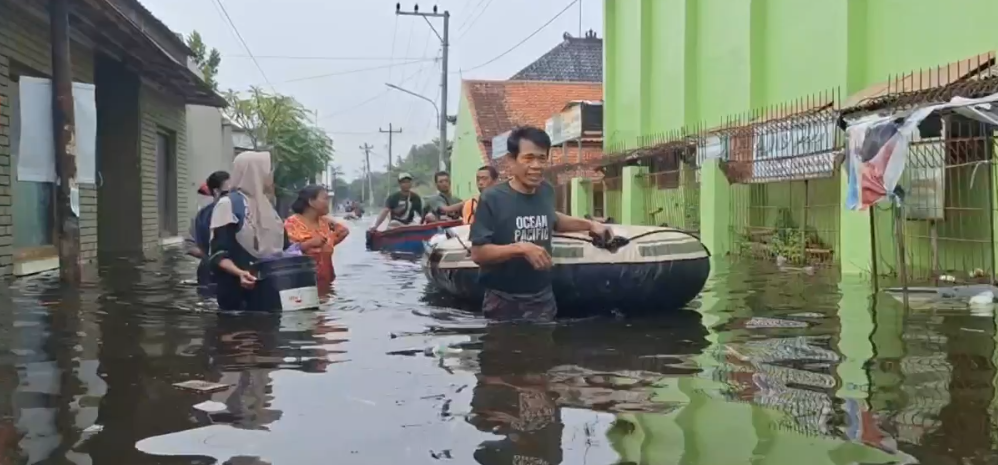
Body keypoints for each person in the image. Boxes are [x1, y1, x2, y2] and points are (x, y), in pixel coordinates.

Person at [469, 126, 609, 322]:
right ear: (511, 161)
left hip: (542, 297)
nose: (536, 165)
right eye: (528, 158)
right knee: (502, 352)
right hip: (503, 300)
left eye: (542, 158)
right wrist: (520, 249)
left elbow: (553, 218)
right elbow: (478, 253)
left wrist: (590, 225)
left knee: (542, 350)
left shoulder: (546, 191)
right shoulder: (492, 198)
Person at [208, 151, 290, 311]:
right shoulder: (228, 204)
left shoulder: (267, 206)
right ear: (254, 172)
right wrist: (239, 273)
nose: (271, 176)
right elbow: (218, 253)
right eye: (267, 171)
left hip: (269, 289)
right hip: (237, 292)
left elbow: (284, 248)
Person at [284, 185, 349, 289]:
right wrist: (308, 244)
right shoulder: (292, 223)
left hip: (326, 282)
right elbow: (283, 253)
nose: (328, 202)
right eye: (325, 198)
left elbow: (343, 231)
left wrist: (331, 241)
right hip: (301, 285)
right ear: (311, 202)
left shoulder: (325, 223)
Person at [186, 171, 230, 288]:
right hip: (212, 272)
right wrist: (211, 257)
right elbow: (190, 245)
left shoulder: (237, 209)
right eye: (228, 192)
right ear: (216, 192)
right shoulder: (203, 215)